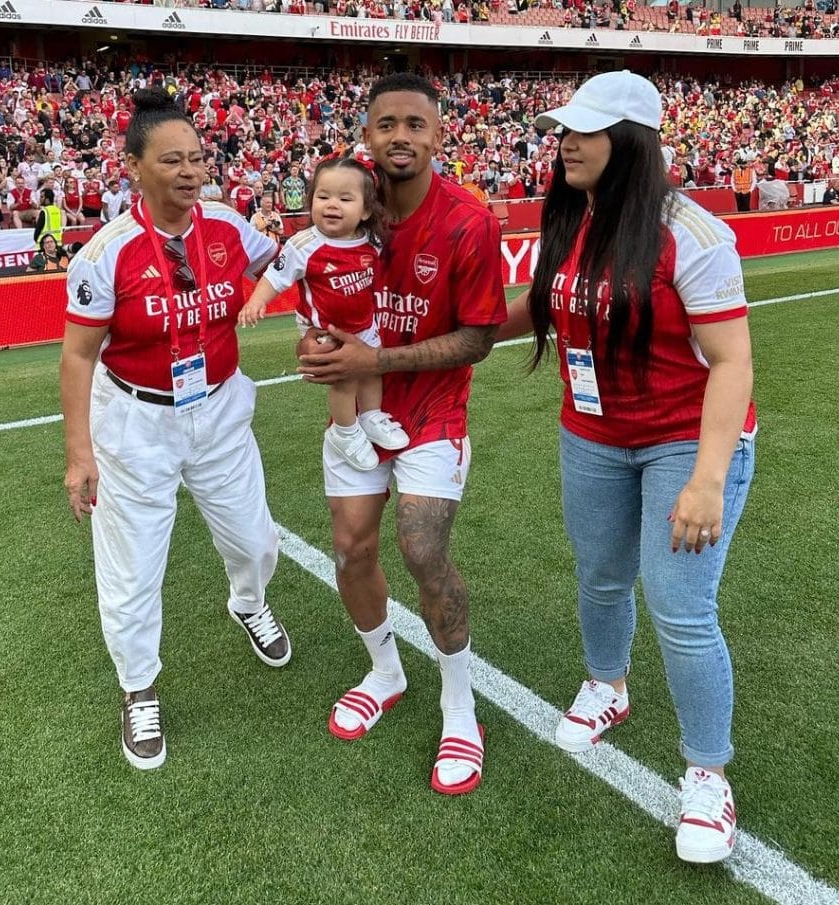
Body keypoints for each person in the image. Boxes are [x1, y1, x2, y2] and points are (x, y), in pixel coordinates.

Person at [498, 70, 755, 863]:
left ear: (632, 142)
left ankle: (708, 774)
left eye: (584, 130)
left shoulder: (693, 234)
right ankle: (607, 686)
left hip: (686, 437)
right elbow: (539, 305)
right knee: (601, 576)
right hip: (594, 434)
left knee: (680, 605)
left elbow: (733, 362)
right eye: (563, 130)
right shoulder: (573, 215)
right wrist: (446, 333)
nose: (565, 143)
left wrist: (707, 478)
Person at [60, 89, 291, 772]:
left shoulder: (228, 226)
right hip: (136, 423)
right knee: (133, 569)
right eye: (172, 160)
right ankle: (139, 688)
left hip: (220, 410)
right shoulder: (106, 253)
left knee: (256, 539)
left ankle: (248, 603)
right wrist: (79, 453)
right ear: (134, 167)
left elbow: (284, 265)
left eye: (197, 158)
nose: (190, 172)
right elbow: (77, 355)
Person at [296, 74, 506, 795]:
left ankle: (459, 705)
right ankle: (385, 671)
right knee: (351, 550)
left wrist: (374, 361)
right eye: (386, 124)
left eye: (416, 124)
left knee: (423, 548)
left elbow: (479, 337)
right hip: (359, 414)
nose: (401, 136)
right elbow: (315, 307)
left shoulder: (468, 222)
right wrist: (317, 347)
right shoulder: (346, 207)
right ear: (367, 135)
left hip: (433, 411)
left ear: (439, 135)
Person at [239, 154, 409, 471]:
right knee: (344, 379)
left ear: (366, 210)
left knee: (372, 370)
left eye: (345, 198)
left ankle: (371, 416)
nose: (332, 205)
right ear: (311, 200)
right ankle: (344, 432)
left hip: (365, 325)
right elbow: (275, 276)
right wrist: (256, 302)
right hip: (325, 331)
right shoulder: (304, 245)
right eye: (323, 196)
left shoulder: (372, 241)